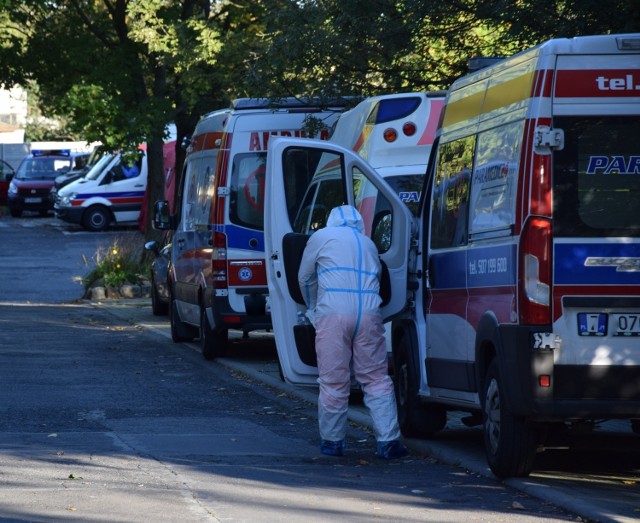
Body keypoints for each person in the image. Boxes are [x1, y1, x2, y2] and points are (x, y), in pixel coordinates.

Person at [298, 204, 408, 459]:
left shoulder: (321, 237)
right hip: (369, 315)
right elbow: (378, 279)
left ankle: (333, 442)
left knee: (334, 381)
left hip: (333, 314)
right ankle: (389, 441)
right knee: (376, 379)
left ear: (332, 221)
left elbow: (304, 277)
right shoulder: (368, 244)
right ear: (359, 223)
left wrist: (312, 306)